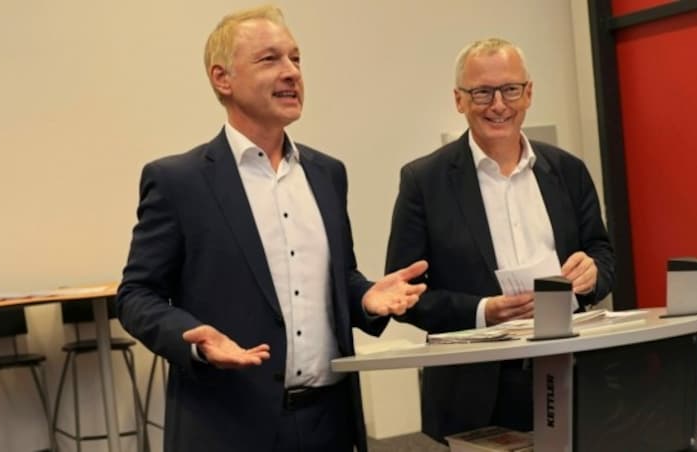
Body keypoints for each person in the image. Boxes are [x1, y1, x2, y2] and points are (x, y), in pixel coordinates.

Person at [117, 5, 427, 452]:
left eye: (296, 59)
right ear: (222, 78)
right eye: (270, 60)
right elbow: (135, 295)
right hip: (229, 424)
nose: (291, 73)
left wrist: (365, 297)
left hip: (330, 422)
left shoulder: (327, 174)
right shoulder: (179, 181)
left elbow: (338, 279)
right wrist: (194, 341)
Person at [385, 38, 615, 443]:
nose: (498, 105)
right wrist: (483, 311)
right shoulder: (424, 182)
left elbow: (604, 256)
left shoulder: (568, 171)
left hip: (568, 367)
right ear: (459, 100)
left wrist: (593, 273)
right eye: (482, 92)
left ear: (528, 93)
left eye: (510, 89)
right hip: (476, 387)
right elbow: (405, 294)